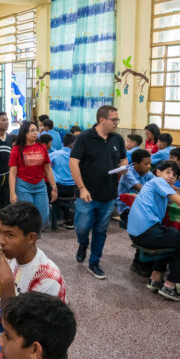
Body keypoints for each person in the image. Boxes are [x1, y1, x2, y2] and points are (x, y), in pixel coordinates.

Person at [127, 160, 180, 301]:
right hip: (147, 232)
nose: (171, 176)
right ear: (158, 172)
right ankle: (170, 286)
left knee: (172, 236)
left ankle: (155, 277)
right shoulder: (158, 182)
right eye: (168, 172)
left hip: (139, 233)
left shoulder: (159, 185)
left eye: (175, 175)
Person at [0, 202, 66, 314]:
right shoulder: (10, 259)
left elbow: (18, 328)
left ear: (31, 238)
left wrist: (7, 281)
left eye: (10, 235)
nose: (1, 241)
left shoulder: (47, 279)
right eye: (1, 233)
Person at [69, 105, 127, 279]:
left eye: (117, 120)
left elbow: (123, 159)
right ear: (102, 119)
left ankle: (94, 262)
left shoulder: (117, 139)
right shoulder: (85, 138)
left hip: (108, 194)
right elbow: (73, 163)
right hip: (87, 194)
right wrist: (82, 188)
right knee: (82, 227)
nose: (116, 123)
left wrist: (123, 167)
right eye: (114, 119)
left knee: (101, 230)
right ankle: (83, 242)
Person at [9, 120, 58, 229]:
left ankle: (33, 242)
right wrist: (12, 193)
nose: (36, 133)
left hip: (40, 185)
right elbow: (12, 173)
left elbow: (48, 169)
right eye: (32, 131)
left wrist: (54, 187)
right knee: (27, 219)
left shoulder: (42, 147)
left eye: (36, 130)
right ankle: (28, 245)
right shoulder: (16, 150)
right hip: (23, 186)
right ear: (24, 133)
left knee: (43, 219)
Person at [116, 149, 154, 222]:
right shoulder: (127, 173)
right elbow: (140, 188)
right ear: (135, 164)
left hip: (140, 206)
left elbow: (158, 183)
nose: (149, 166)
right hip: (126, 209)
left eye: (150, 164)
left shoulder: (147, 173)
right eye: (146, 164)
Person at [49, 133, 77, 230]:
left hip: (59, 188)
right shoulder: (76, 157)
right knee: (68, 201)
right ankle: (69, 221)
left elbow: (46, 164)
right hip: (73, 189)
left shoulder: (55, 154)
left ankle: (52, 221)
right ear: (72, 145)